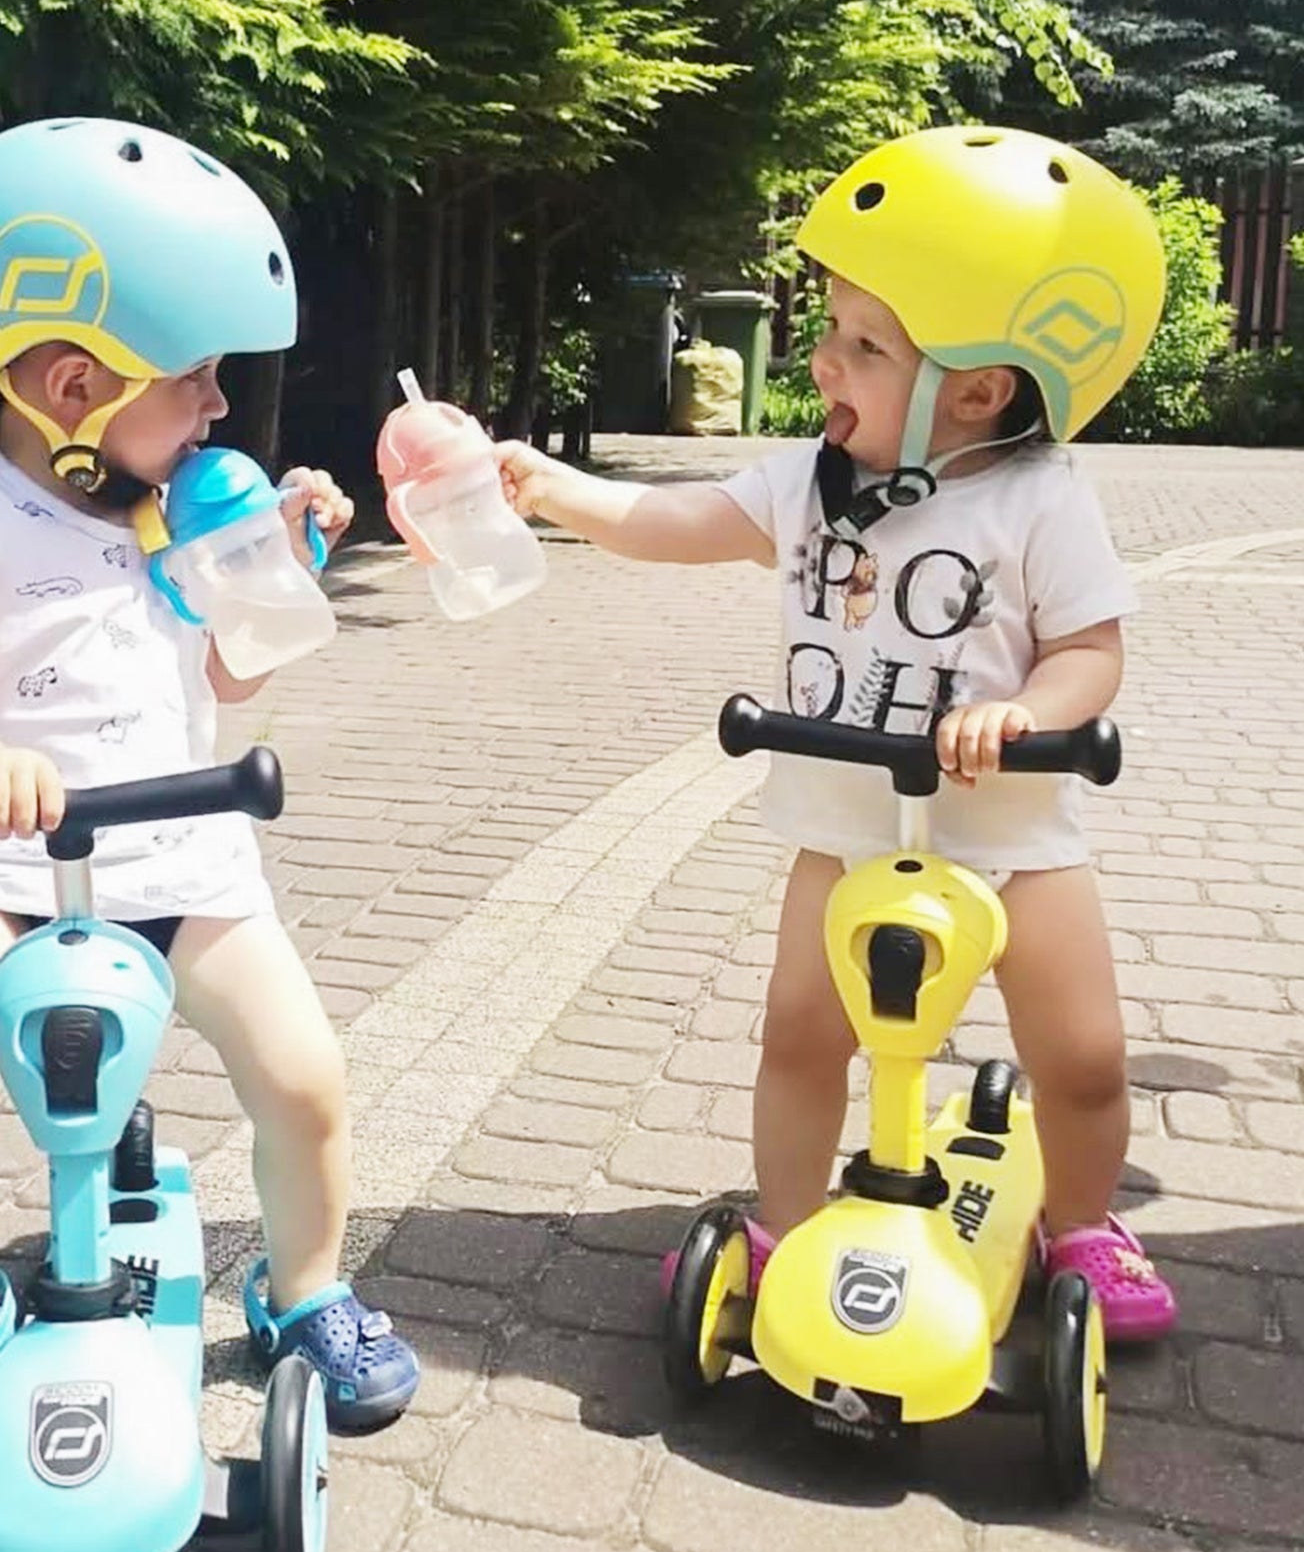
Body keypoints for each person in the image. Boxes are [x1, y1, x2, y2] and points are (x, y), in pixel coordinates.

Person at [495, 126, 1176, 1339]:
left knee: (1082, 1054)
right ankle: (787, 1223)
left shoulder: (1039, 499)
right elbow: (672, 521)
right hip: (849, 829)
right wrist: (554, 490)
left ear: (979, 390)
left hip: (1014, 838)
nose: (824, 359)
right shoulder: (805, 483)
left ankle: (1081, 1223)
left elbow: (1091, 652)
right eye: (833, 329)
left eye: (868, 345)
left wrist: (1028, 713)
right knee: (802, 1035)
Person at [0, 117, 420, 1435]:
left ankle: (306, 1289)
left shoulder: (183, 510)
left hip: (184, 865)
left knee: (303, 1074)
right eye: (194, 377)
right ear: (75, 385)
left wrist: (279, 567)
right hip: (14, 877)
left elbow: (234, 676)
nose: (218, 406)